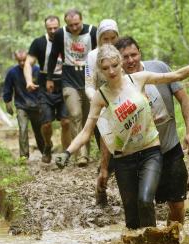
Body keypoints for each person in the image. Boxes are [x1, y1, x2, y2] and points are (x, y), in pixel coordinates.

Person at [55, 44, 189, 229]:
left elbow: (178, 75)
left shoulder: (138, 79)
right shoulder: (100, 96)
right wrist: (67, 152)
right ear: (100, 70)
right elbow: (86, 132)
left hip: (150, 152)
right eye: (105, 68)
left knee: (145, 201)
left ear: (120, 63)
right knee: (132, 220)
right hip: (124, 159)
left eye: (114, 65)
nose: (111, 71)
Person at [107, 36, 189, 225]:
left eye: (134, 54)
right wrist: (105, 166)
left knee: (177, 204)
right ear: (117, 60)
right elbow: (108, 128)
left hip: (169, 146)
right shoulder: (115, 85)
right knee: (143, 205)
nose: (131, 60)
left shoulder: (159, 68)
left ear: (140, 53)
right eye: (125, 57)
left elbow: (184, 98)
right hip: (139, 155)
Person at [46, 8, 97, 167]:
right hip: (68, 80)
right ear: (66, 23)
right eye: (71, 25)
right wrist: (49, 78)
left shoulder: (92, 32)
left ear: (82, 20)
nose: (74, 28)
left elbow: (100, 54)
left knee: (88, 117)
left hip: (89, 79)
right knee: (75, 115)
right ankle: (81, 155)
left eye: (77, 24)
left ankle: (89, 150)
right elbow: (53, 56)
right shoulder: (61, 34)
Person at [24, 15, 71, 164]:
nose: (52, 31)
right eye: (49, 28)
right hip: (45, 86)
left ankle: (65, 153)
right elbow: (28, 63)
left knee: (66, 122)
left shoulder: (67, 39)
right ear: (45, 28)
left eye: (55, 28)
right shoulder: (38, 43)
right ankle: (47, 145)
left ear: (60, 26)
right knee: (46, 123)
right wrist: (29, 81)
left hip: (64, 82)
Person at [85, 19, 119, 205]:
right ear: (98, 39)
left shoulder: (123, 52)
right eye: (105, 38)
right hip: (103, 109)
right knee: (108, 155)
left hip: (125, 107)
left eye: (113, 38)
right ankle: (101, 187)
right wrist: (100, 100)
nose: (109, 42)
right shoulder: (92, 56)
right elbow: (89, 86)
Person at [3, 50, 45, 160]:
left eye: (24, 60)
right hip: (21, 105)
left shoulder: (37, 70)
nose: (22, 63)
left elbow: (44, 89)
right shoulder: (12, 72)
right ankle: (24, 156)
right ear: (16, 60)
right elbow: (7, 89)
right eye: (19, 61)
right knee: (23, 129)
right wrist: (8, 104)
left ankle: (45, 152)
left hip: (37, 106)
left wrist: (44, 104)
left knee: (39, 132)